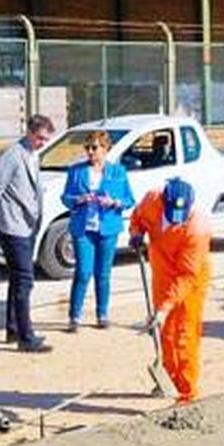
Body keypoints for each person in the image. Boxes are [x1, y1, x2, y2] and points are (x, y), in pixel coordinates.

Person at [128, 177, 211, 403]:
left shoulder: (197, 229)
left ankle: (186, 392)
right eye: (171, 213)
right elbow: (138, 218)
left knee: (184, 336)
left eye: (180, 217)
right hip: (162, 274)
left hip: (190, 283)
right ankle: (169, 380)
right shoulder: (152, 200)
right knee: (163, 331)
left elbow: (186, 275)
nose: (175, 221)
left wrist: (164, 307)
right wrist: (136, 233)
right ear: (164, 201)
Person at [0, 113, 55, 353]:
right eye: (39, 138)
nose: (42, 143)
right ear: (29, 132)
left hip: (27, 224)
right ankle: (26, 336)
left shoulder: (32, 155)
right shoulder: (12, 155)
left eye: (46, 139)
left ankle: (13, 329)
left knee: (17, 278)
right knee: (25, 279)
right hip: (13, 225)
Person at [61, 130, 135, 331]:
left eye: (95, 147)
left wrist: (113, 202)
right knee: (83, 272)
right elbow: (65, 197)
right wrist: (78, 200)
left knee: (103, 274)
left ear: (105, 149)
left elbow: (129, 200)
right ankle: (74, 317)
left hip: (107, 228)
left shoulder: (118, 172)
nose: (90, 152)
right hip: (83, 228)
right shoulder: (76, 171)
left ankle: (102, 314)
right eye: (88, 148)